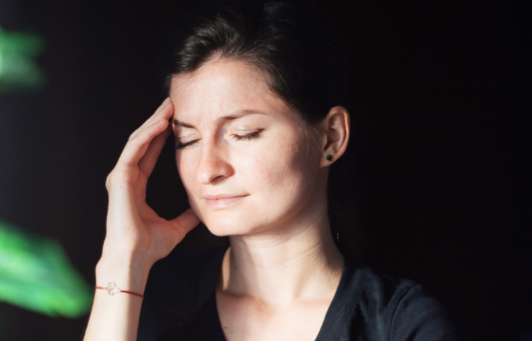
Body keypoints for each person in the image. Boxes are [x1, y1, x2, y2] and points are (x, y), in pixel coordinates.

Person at [83, 0, 464, 340]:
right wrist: (121, 263)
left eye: (243, 133)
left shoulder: (402, 325)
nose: (206, 170)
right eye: (188, 140)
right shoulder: (143, 300)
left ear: (331, 137)